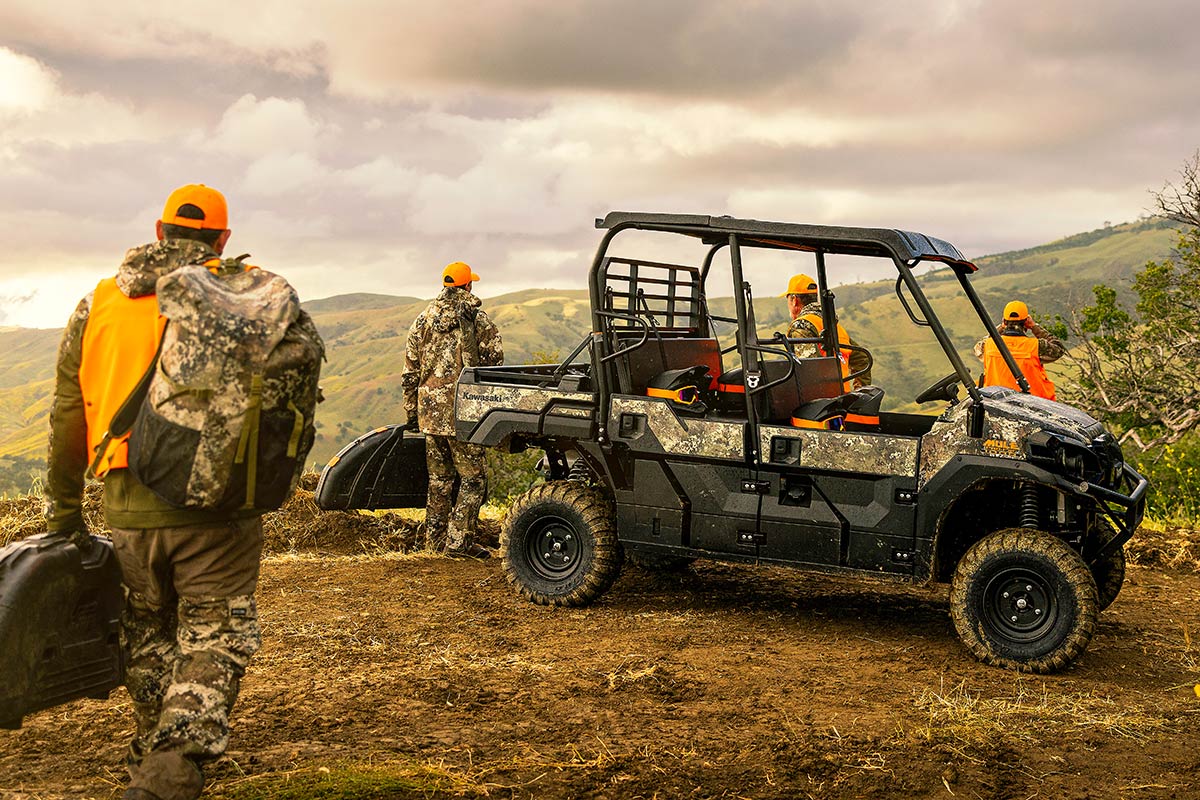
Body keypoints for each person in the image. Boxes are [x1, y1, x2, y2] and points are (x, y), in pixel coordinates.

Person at [45, 184, 265, 800]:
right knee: (213, 636)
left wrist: (64, 515)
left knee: (147, 630)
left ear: (160, 230)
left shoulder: (100, 303)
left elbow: (68, 413)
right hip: (216, 506)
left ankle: (150, 753)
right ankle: (167, 775)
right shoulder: (244, 297)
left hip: (126, 502)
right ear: (222, 239)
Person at [402, 262, 504, 558]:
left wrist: (412, 410)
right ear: (468, 286)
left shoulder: (421, 321)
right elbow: (494, 367)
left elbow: (410, 371)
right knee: (473, 479)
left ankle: (433, 544)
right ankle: (459, 544)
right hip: (464, 413)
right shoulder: (478, 321)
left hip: (430, 413)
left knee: (440, 480)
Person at [781, 273, 872, 389]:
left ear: (794, 300)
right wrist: (859, 393)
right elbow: (863, 358)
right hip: (842, 400)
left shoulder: (802, 326)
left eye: (788, 299)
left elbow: (809, 371)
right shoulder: (833, 326)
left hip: (821, 403)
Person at [973, 300, 1064, 400]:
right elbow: (1058, 348)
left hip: (996, 404)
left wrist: (1000, 328)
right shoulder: (1036, 346)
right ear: (1026, 322)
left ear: (1004, 321)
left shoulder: (988, 345)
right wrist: (1035, 327)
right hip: (1034, 406)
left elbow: (980, 346)